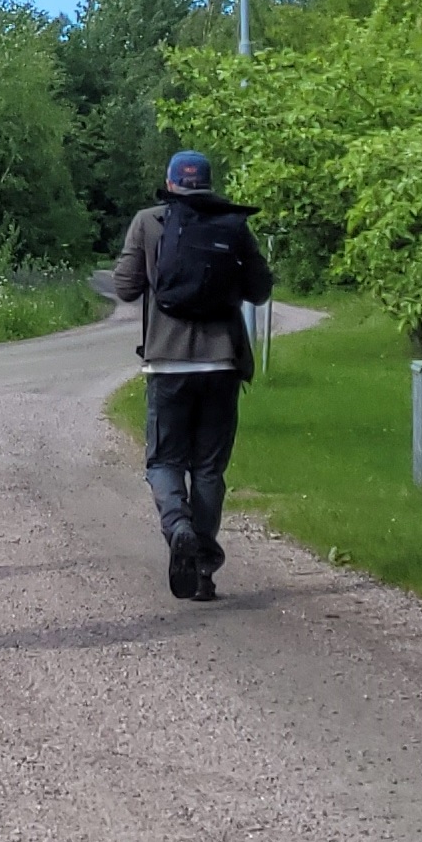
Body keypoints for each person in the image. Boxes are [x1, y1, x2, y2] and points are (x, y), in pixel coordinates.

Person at [108, 151, 274, 602]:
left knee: (163, 461)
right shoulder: (233, 226)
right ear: (207, 184)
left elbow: (124, 288)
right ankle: (203, 569)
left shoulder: (148, 222)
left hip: (167, 364)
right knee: (207, 469)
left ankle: (177, 526)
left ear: (169, 183)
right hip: (222, 364)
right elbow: (260, 291)